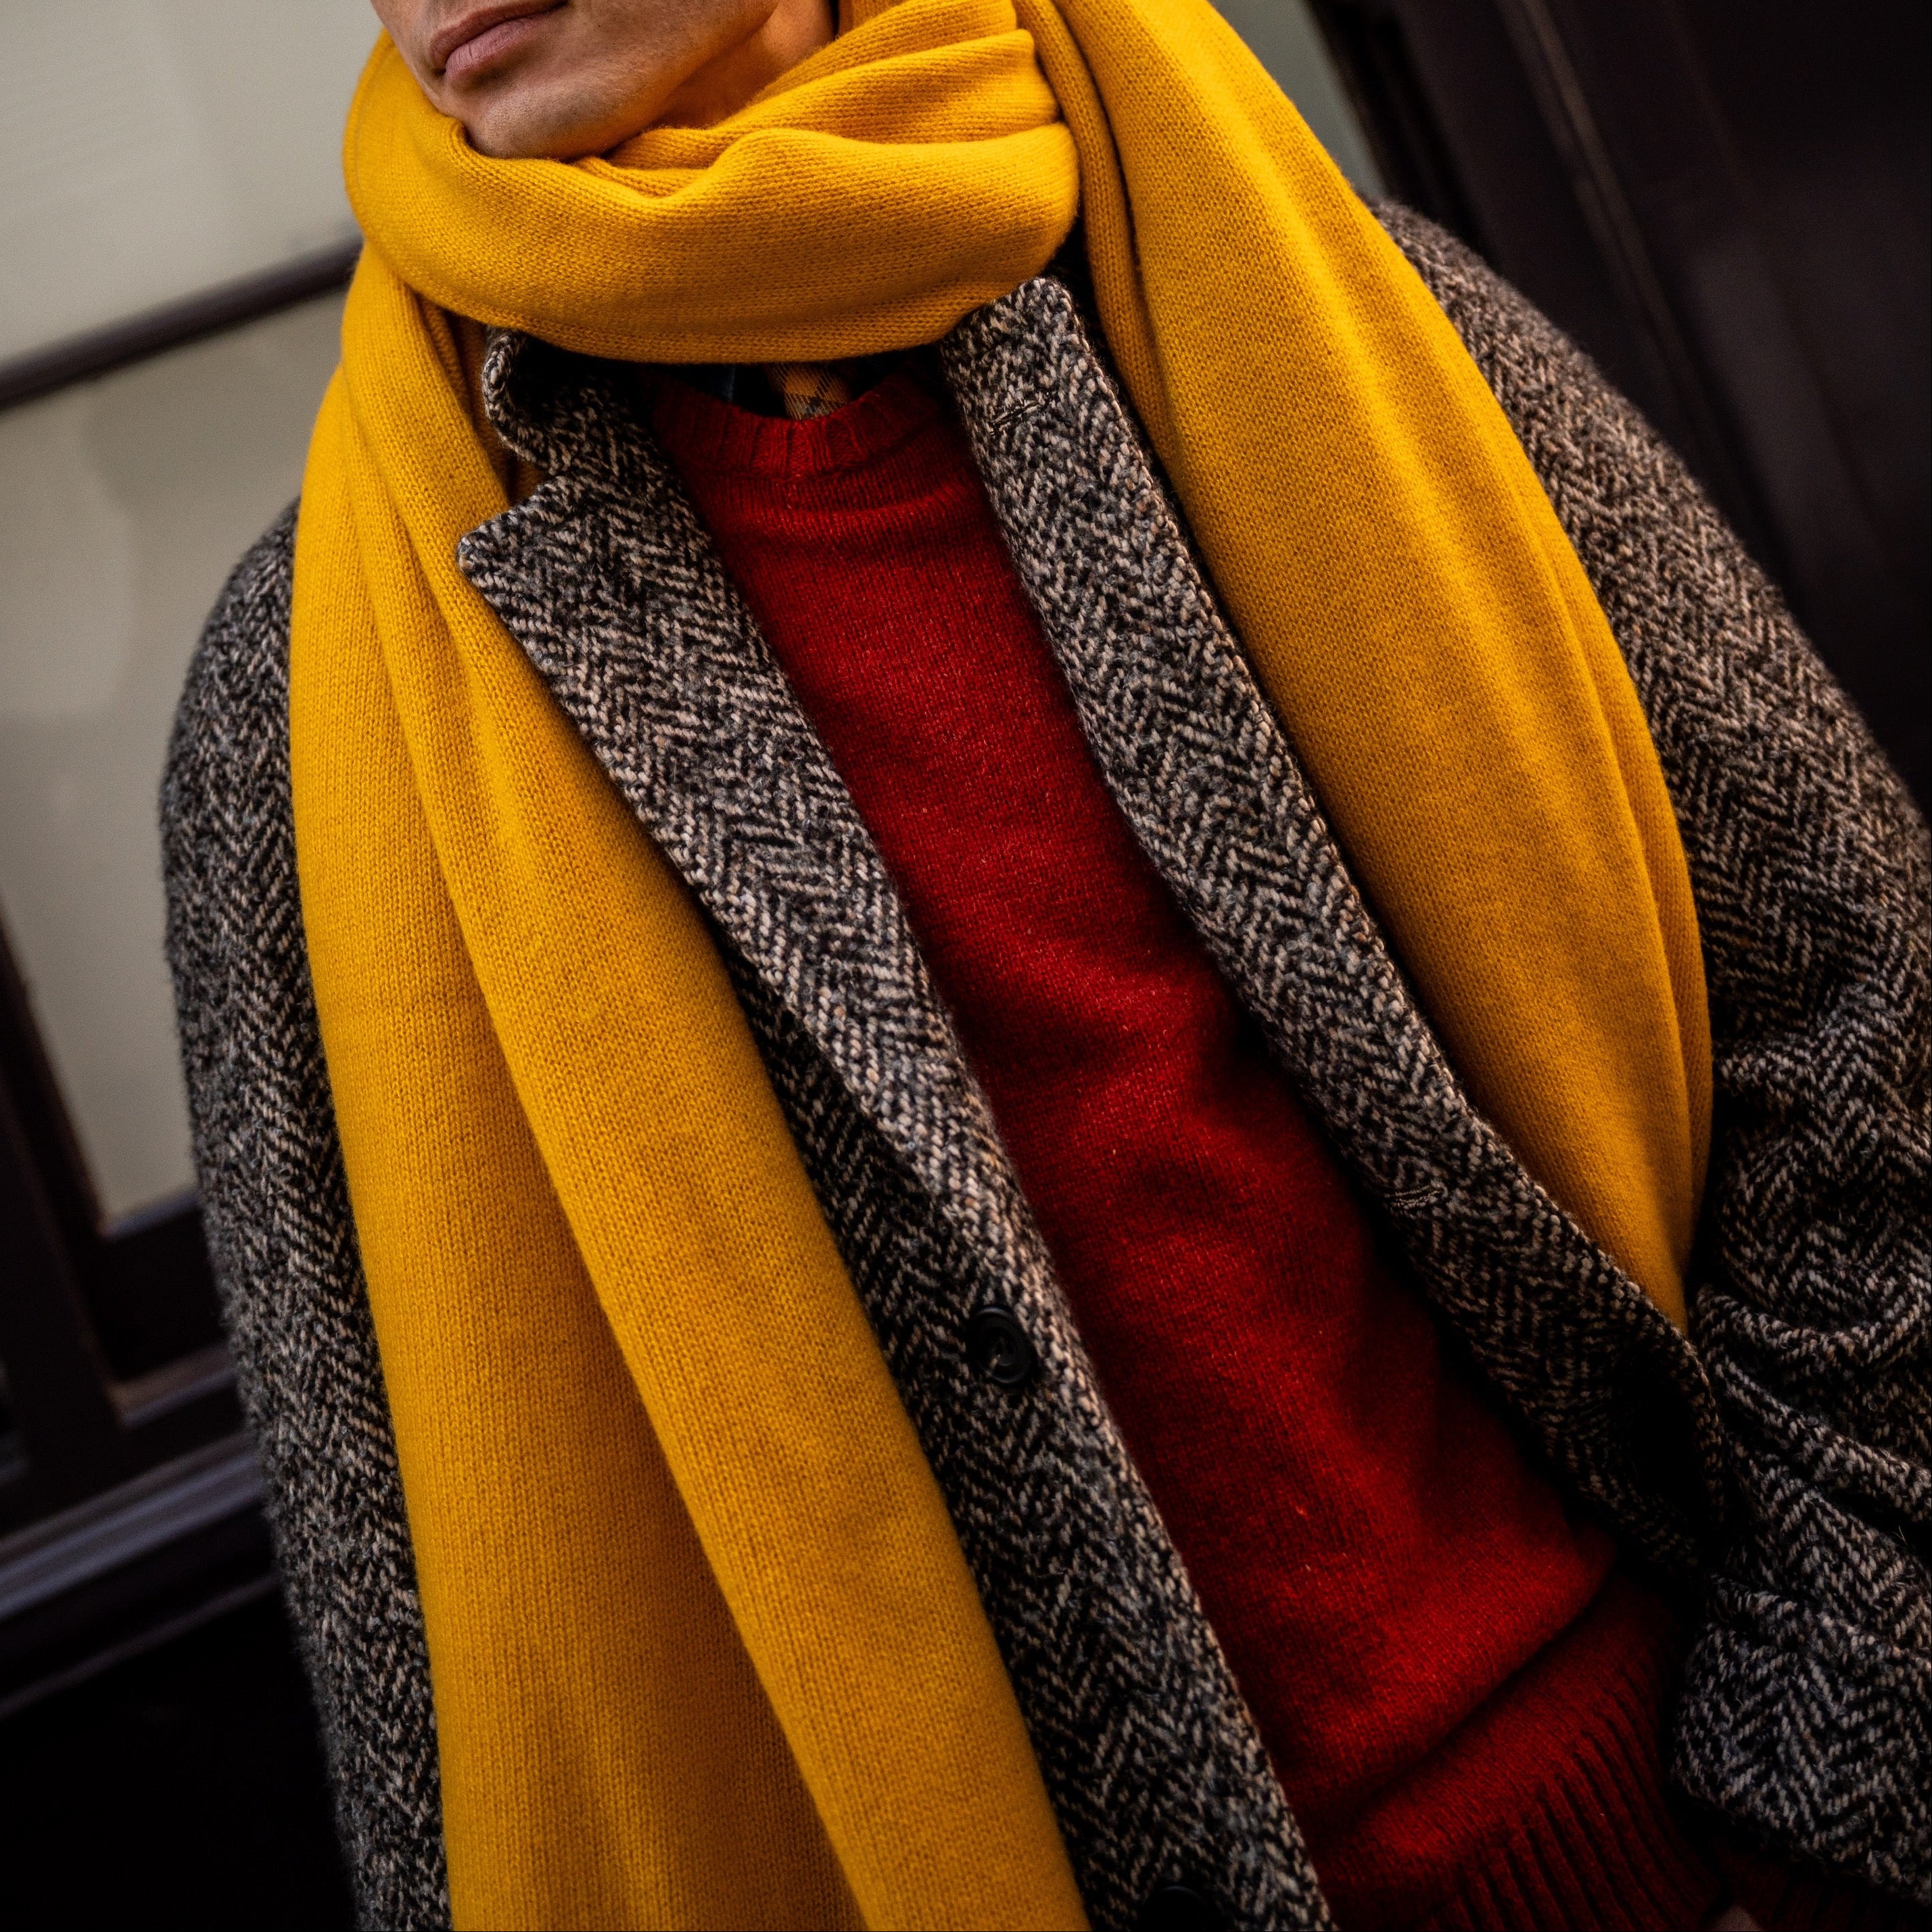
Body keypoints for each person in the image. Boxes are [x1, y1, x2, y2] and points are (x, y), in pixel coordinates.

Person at [159, 1, 1928, 1927]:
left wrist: (1813, 1775)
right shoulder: (306, 702)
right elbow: (409, 1626)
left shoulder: (1335, 323)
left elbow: (1851, 1014)